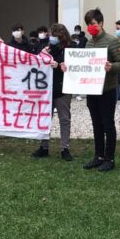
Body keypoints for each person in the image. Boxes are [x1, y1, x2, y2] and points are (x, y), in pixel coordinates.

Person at [81, 8, 120, 172]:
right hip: (92, 90)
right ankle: (98, 156)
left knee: (108, 124)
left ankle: (109, 158)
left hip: (107, 89)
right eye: (88, 24)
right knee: (96, 124)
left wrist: (111, 66)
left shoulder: (112, 41)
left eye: (92, 23)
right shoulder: (88, 43)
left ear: (101, 23)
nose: (90, 27)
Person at [32, 23, 74, 161]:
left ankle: (64, 148)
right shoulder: (47, 47)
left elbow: (73, 67)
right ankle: (44, 146)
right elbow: (36, 62)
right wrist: (42, 54)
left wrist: (59, 65)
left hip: (63, 88)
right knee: (45, 118)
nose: (52, 38)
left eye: (55, 36)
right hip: (47, 90)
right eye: (51, 35)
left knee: (64, 119)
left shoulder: (71, 47)